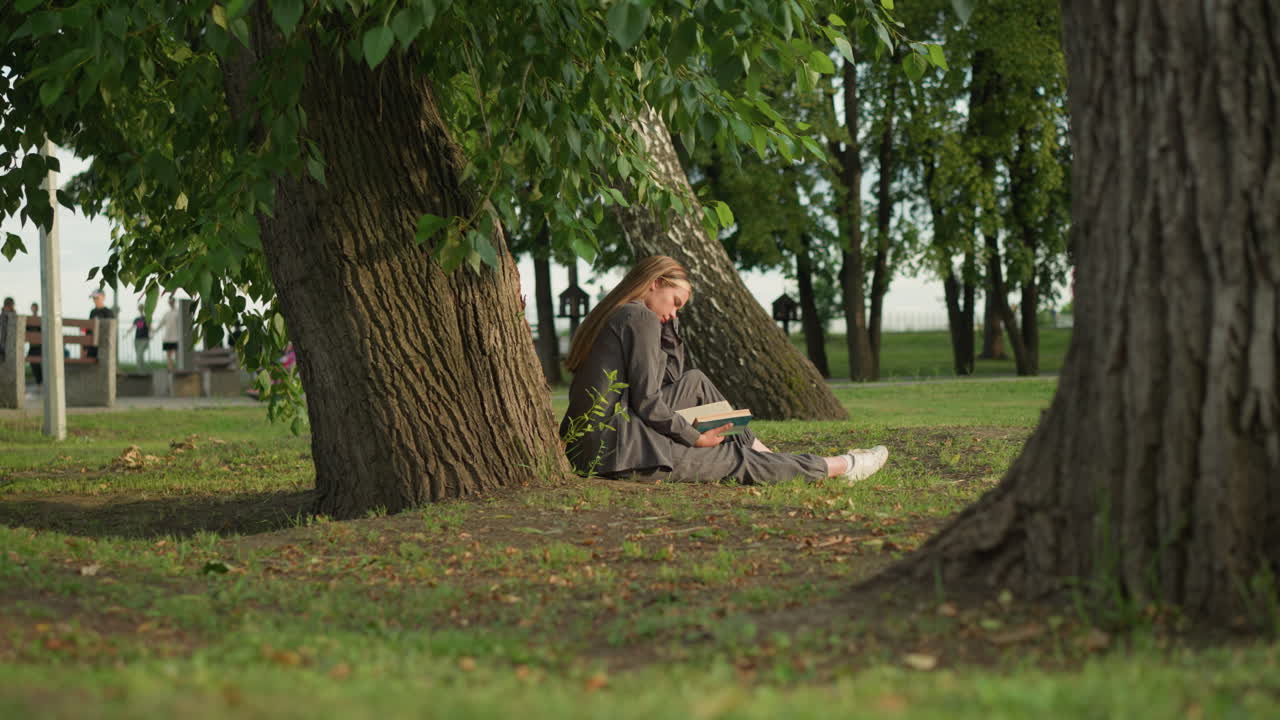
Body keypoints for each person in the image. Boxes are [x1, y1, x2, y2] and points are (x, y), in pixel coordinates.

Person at [560, 255, 888, 485]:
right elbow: (648, 401)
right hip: (612, 450)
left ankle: (766, 453)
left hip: (602, 440)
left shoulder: (625, 314)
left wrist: (670, 329)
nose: (674, 313)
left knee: (695, 380)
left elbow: (671, 381)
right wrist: (694, 437)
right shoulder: (639, 317)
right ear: (655, 283)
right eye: (675, 302)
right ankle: (842, 467)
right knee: (734, 459)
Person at [86, 289, 115, 359]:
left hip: (103, 344)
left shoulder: (108, 312)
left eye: (97, 298)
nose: (95, 300)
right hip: (92, 344)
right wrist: (85, 347)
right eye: (93, 298)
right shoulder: (92, 312)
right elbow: (88, 329)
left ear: (103, 297)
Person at [153, 296, 180, 370]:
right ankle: (170, 369)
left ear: (174, 302)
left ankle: (177, 369)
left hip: (176, 337)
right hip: (167, 338)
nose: (170, 303)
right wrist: (154, 331)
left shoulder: (178, 313)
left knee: (177, 354)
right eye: (169, 302)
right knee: (168, 356)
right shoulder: (167, 313)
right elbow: (161, 324)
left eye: (171, 302)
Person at [130, 304, 151, 371]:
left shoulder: (147, 318)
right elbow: (133, 327)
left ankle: (141, 370)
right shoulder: (137, 319)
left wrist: (153, 332)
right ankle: (140, 370)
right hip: (137, 339)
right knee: (138, 355)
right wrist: (126, 334)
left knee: (140, 354)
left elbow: (149, 326)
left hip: (144, 339)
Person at [27, 302, 42, 385]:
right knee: (33, 362)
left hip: (39, 346)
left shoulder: (40, 319)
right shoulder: (29, 320)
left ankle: (39, 381)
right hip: (33, 346)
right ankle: (38, 381)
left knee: (37, 363)